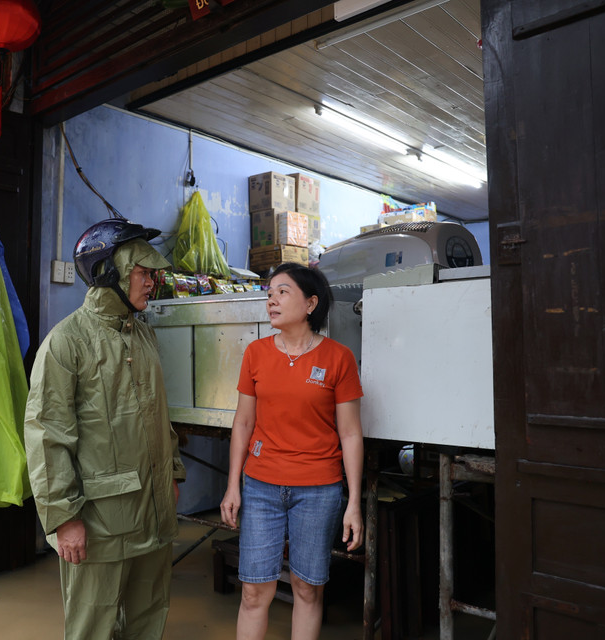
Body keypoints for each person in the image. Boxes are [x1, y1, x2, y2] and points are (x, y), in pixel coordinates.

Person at [24, 218, 187, 640]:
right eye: (143, 273)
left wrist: (172, 473)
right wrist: (63, 519)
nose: (153, 282)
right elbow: (47, 436)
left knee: (149, 616)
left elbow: (159, 415)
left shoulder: (144, 336)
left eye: (153, 274)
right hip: (100, 522)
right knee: (92, 626)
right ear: (108, 273)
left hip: (152, 513)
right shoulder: (66, 343)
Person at [220, 262, 364, 640]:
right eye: (269, 293)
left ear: (311, 303)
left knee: (306, 588)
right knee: (254, 590)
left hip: (318, 490)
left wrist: (353, 503)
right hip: (261, 486)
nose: (271, 300)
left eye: (283, 292)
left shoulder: (338, 358)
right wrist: (233, 485)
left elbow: (350, 433)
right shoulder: (256, 353)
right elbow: (243, 424)